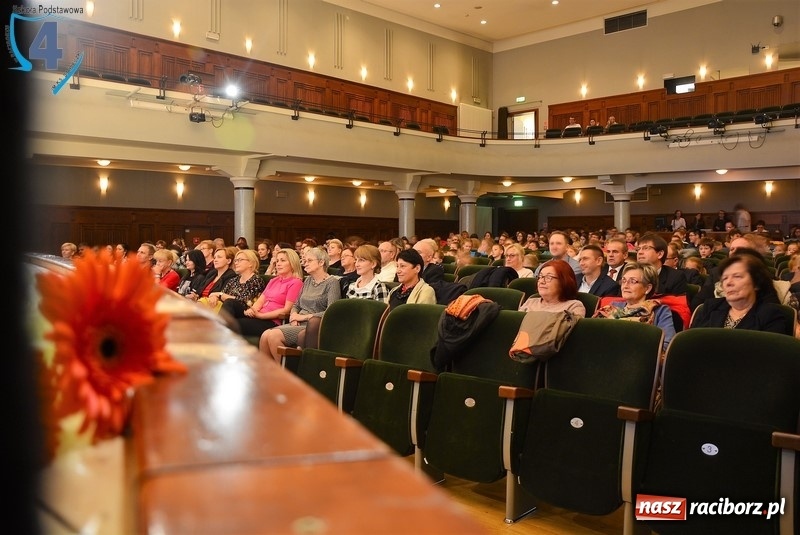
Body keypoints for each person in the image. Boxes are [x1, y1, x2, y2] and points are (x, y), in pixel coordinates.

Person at [259, 246, 341, 362]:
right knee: (265, 335)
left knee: (273, 336)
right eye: (304, 261)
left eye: (309, 261)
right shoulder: (307, 280)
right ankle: (269, 375)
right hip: (297, 322)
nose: (305, 264)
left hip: (313, 326)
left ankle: (286, 375)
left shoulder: (332, 283)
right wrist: (293, 316)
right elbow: (296, 304)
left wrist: (302, 317)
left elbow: (331, 312)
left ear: (321, 262)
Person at [691, 254, 786, 334]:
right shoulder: (710, 307)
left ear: (756, 283)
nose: (728, 283)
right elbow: (693, 344)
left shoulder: (771, 315)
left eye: (737, 276)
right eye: (724, 278)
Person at [594, 262, 677, 352]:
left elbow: (667, 345)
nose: (625, 286)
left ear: (647, 288)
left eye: (633, 281)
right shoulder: (612, 307)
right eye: (624, 281)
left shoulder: (660, 311)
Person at [226, 248, 304, 338]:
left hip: (271, 321)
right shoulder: (274, 280)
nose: (278, 264)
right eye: (277, 261)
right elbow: (261, 301)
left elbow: (286, 310)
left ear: (293, 263)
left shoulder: (296, 283)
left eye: (283, 261)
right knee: (230, 302)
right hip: (257, 316)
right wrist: (253, 310)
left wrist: (261, 316)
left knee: (232, 324)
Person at [519, 259, 586, 316]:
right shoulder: (530, 302)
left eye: (548, 277)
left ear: (563, 281)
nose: (542, 281)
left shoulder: (574, 306)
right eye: (540, 277)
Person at [211, 249, 266, 313]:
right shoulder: (234, 280)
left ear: (251, 263)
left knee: (230, 302)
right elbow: (221, 294)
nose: (236, 263)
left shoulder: (256, 280)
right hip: (229, 310)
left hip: (246, 312)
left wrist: (221, 295)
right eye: (236, 260)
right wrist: (215, 296)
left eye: (240, 260)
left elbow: (246, 301)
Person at [635, 233, 687, 297]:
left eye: (645, 248)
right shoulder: (630, 274)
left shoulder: (675, 277)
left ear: (660, 254)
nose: (640, 252)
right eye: (638, 249)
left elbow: (675, 304)